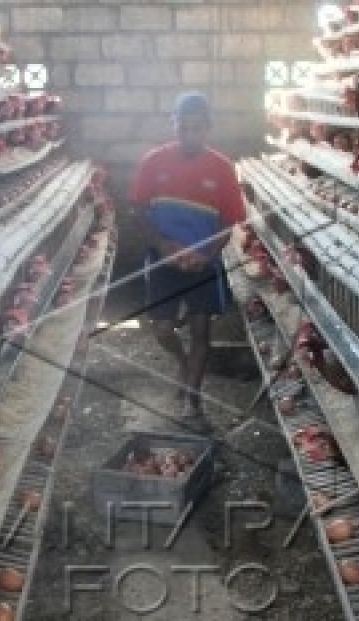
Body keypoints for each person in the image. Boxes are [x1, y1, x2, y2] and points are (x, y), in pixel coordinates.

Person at [130, 92, 247, 426]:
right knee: (163, 329)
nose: (189, 136)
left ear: (208, 129)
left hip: (202, 262)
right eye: (184, 128)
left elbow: (228, 223)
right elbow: (137, 210)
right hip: (163, 259)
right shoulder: (154, 161)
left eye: (197, 129)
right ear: (174, 125)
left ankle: (193, 402)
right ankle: (181, 362)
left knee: (200, 329)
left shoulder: (223, 169)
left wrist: (206, 254)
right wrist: (163, 245)